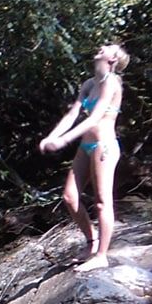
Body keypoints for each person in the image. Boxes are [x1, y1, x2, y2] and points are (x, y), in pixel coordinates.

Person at [39, 43, 129, 272]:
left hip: (104, 145)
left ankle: (101, 256)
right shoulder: (89, 84)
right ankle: (92, 242)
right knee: (69, 197)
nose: (101, 46)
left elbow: (95, 117)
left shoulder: (112, 83)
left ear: (113, 59)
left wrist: (63, 141)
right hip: (86, 145)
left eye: (108, 47)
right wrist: (51, 136)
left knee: (101, 200)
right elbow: (72, 114)